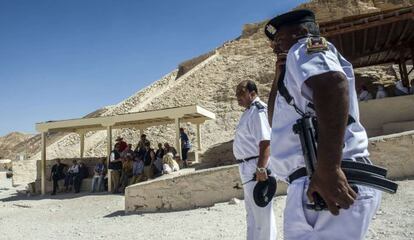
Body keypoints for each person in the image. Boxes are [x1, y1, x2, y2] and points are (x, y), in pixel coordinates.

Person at [265, 9, 381, 239]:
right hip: (314, 179)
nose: (275, 48)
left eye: (279, 40)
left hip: (326, 177)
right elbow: (275, 122)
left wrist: (329, 168)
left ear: (302, 32)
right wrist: (278, 76)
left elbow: (333, 84)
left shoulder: (305, 47)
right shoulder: (293, 69)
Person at [233, 80, 276, 240]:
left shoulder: (258, 111)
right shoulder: (249, 112)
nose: (237, 97)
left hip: (255, 166)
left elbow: (265, 141)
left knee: (262, 213)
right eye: (236, 94)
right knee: (251, 212)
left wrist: (261, 168)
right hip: (247, 167)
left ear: (253, 93)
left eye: (241, 93)